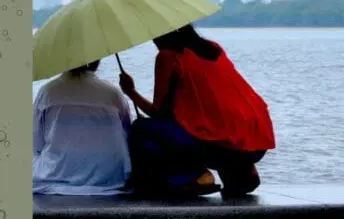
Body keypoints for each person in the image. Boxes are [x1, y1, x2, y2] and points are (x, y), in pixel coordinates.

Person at [118, 24, 276, 198]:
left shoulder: (168, 56)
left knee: (142, 128)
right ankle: (242, 173)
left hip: (215, 145)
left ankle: (191, 175)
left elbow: (158, 112)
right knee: (212, 129)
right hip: (256, 141)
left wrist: (130, 92)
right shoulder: (213, 48)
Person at [33, 60, 134, 195]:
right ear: (96, 61)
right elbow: (126, 133)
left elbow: (36, 143)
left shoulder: (47, 92)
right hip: (109, 177)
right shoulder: (113, 93)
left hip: (55, 176)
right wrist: (131, 92)